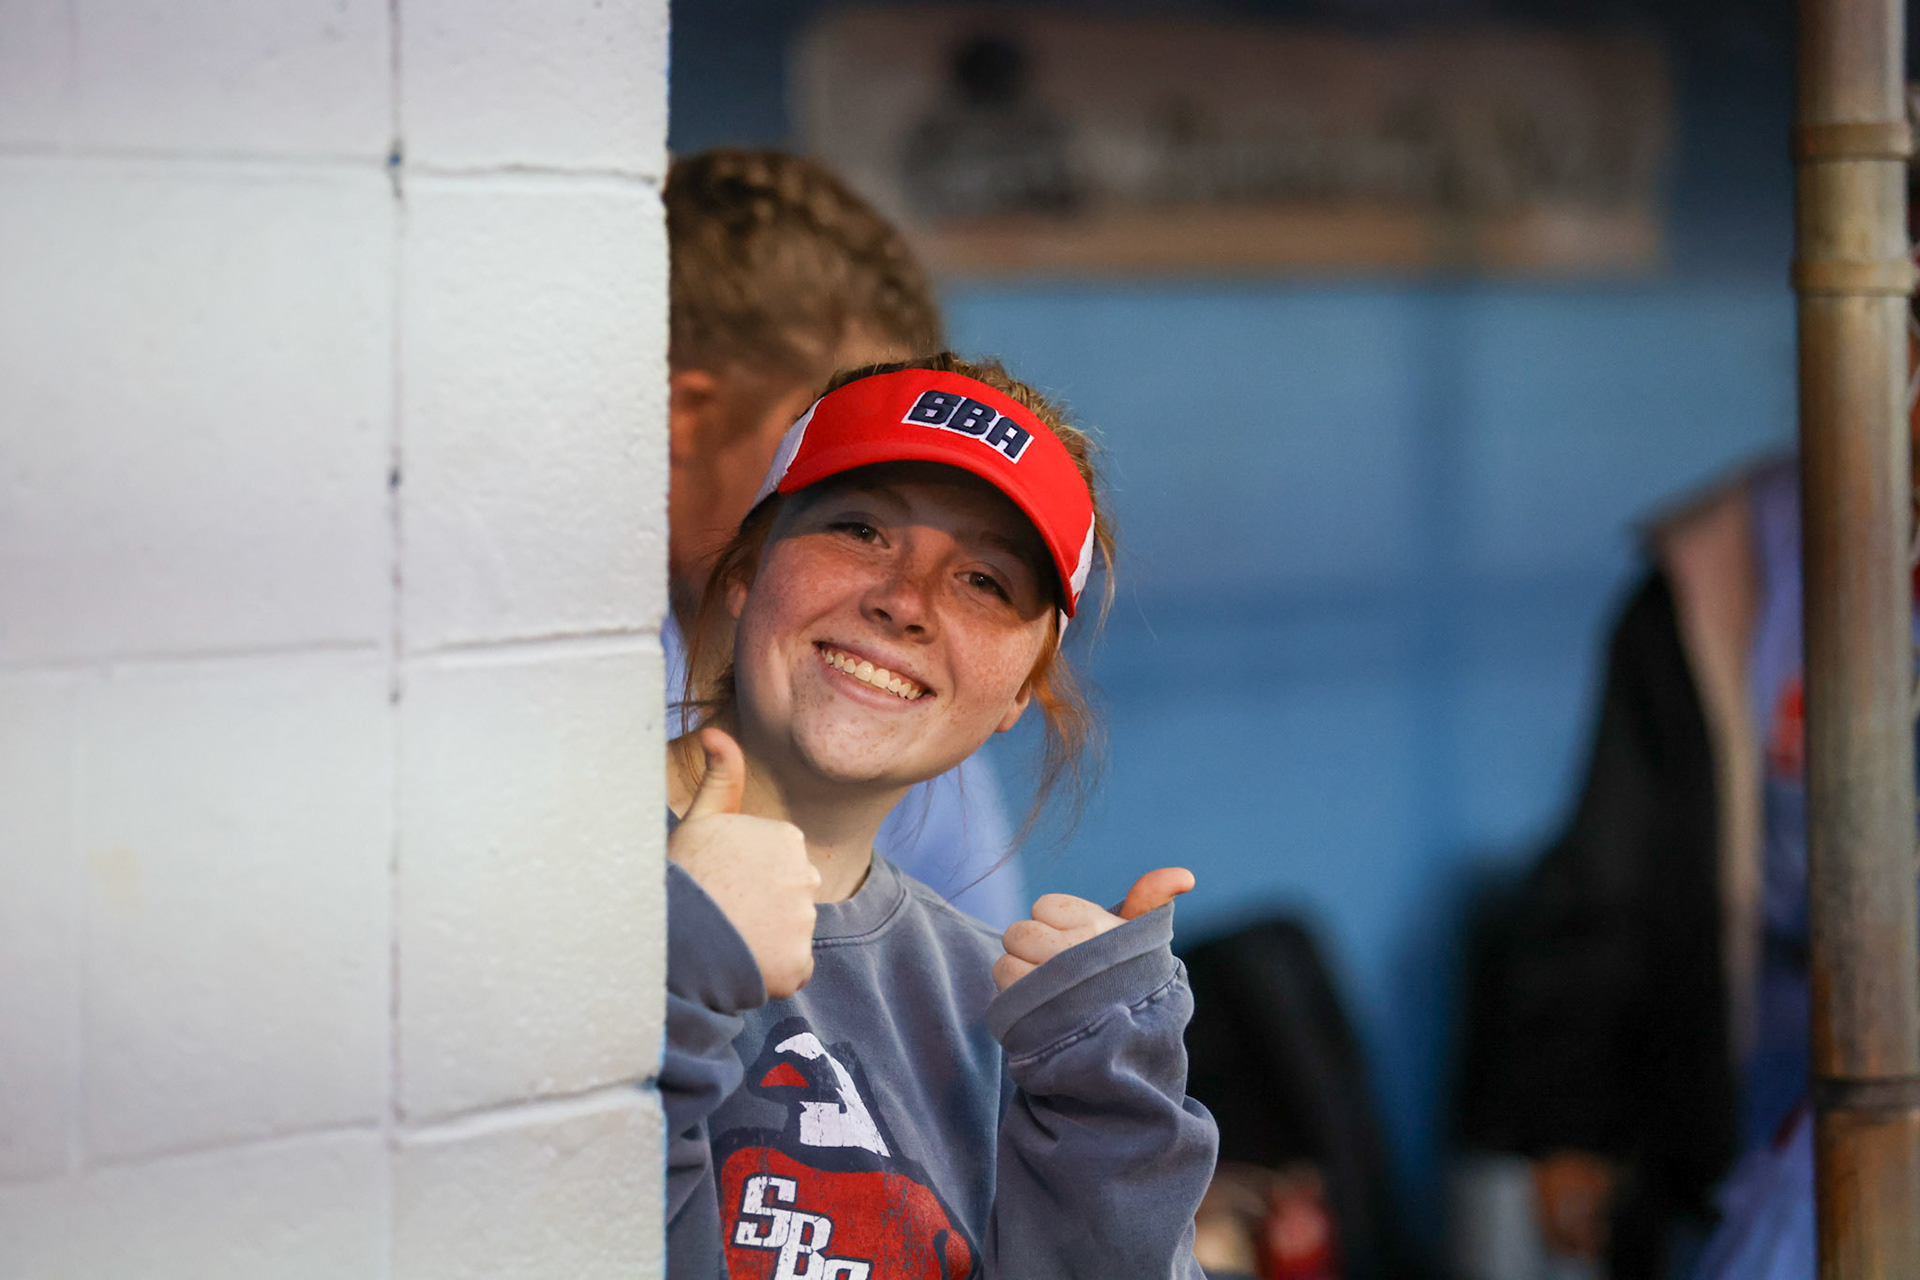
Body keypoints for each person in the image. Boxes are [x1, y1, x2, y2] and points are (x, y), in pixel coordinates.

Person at [660, 354, 1220, 1277]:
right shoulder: (546, 870)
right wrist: (669, 970)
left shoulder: (1000, 1018)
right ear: (747, 570)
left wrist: (1112, 1130)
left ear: (1021, 692)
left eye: (985, 581)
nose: (904, 602)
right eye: (860, 529)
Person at [666, 147, 1025, 926]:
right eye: (820, 440)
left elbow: (973, 979)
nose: (905, 600)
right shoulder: (558, 664)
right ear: (685, 415)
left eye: (983, 579)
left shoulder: (890, 692)